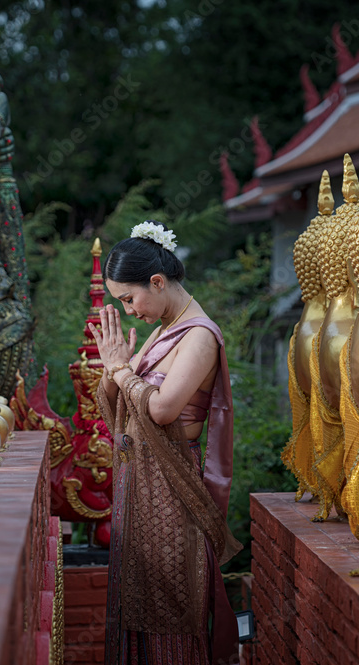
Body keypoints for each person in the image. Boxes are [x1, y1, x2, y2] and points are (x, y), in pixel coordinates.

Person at [90, 221, 242, 665]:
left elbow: (161, 409)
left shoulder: (198, 336)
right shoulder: (163, 329)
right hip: (143, 485)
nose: (130, 309)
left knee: (170, 597)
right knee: (140, 594)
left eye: (130, 298)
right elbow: (121, 401)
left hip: (173, 491)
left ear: (157, 282)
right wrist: (111, 368)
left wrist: (120, 370)